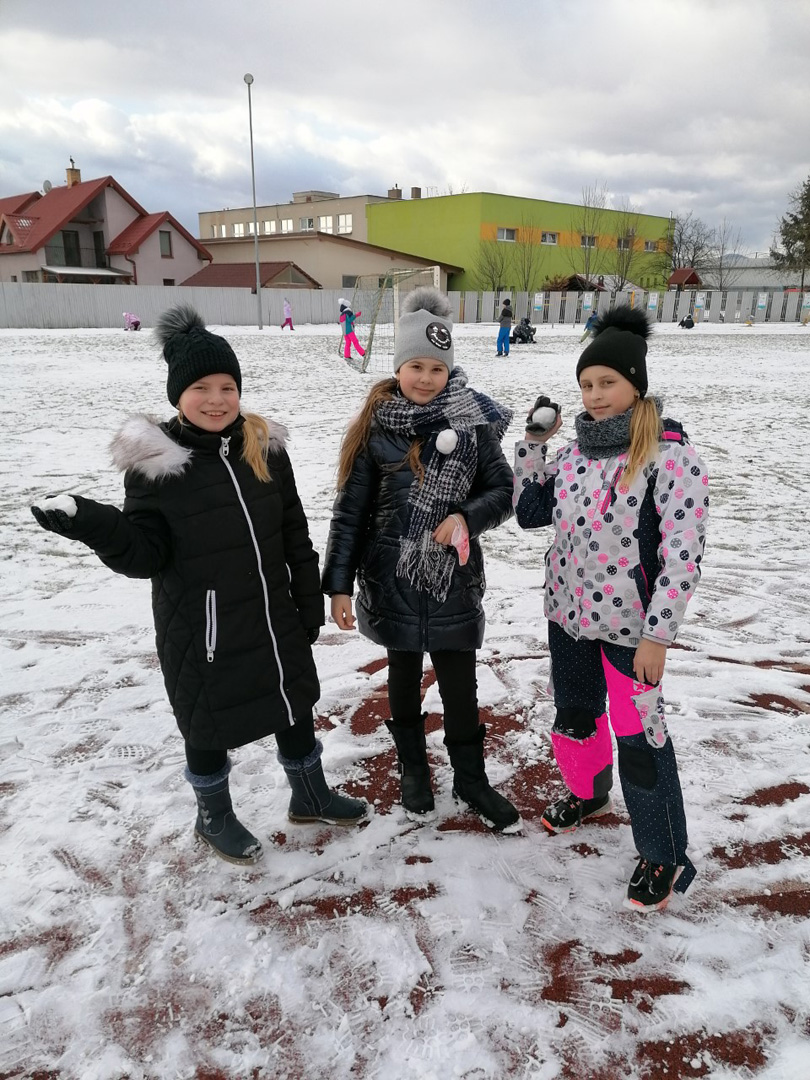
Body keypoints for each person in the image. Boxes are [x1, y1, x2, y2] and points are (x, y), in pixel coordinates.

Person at [31, 304, 366, 867]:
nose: (216, 400)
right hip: (202, 625)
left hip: (272, 613)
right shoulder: (158, 465)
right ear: (177, 395)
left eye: (227, 387)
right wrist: (95, 523)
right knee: (206, 721)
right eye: (201, 388)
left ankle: (310, 796)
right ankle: (214, 817)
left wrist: (306, 601)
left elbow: (294, 532)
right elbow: (146, 555)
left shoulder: (263, 448)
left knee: (292, 701)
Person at [513, 306, 709, 911]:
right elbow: (528, 512)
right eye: (586, 385)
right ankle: (589, 793)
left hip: (633, 632)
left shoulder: (669, 457)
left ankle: (662, 852)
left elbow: (682, 556)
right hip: (568, 618)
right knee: (576, 717)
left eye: (607, 382)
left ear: (636, 384)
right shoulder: (573, 454)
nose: (595, 396)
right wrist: (534, 446)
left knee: (639, 737)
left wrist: (658, 635)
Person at [323, 287, 521, 832]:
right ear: (398, 367)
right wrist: (338, 584)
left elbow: (503, 490)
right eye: (416, 366)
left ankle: (471, 778)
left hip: (453, 578)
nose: (426, 378)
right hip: (392, 578)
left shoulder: (472, 423)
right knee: (403, 676)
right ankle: (413, 767)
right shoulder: (377, 426)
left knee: (460, 685)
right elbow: (350, 511)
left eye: (437, 367)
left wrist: (466, 517)